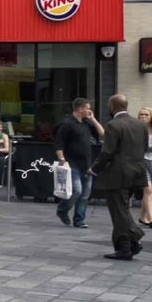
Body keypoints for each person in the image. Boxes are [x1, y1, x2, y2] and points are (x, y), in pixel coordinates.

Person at [90, 94, 148, 260]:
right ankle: (127, 246)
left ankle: (133, 238)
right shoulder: (140, 124)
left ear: (112, 106)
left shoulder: (114, 125)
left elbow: (107, 151)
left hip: (118, 175)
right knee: (121, 209)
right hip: (137, 172)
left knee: (119, 211)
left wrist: (94, 169)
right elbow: (144, 147)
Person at [53, 98, 103, 229]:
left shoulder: (87, 123)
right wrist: (61, 158)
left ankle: (79, 219)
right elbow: (59, 142)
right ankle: (63, 209)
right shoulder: (67, 123)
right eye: (87, 108)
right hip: (72, 162)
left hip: (86, 163)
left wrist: (93, 119)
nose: (89, 110)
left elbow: (102, 134)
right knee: (77, 190)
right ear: (80, 108)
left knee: (85, 193)